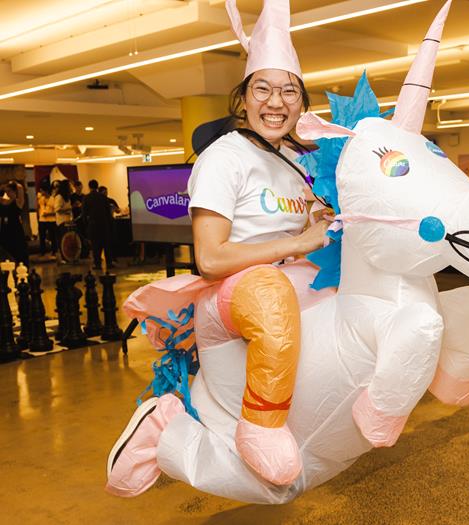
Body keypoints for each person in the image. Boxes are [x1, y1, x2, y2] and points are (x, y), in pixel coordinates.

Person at [105, 0, 332, 496]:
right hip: (231, 299)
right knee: (269, 293)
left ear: (302, 101)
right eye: (263, 89)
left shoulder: (295, 159)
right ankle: (207, 427)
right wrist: (295, 242)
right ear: (243, 99)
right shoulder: (223, 158)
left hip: (288, 294)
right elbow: (210, 259)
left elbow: (313, 224)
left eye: (288, 90)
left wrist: (323, 219)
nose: (276, 102)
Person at [82, 179, 114, 270]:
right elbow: (108, 211)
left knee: (96, 245)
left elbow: (84, 213)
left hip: (93, 224)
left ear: (89, 187)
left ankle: (98, 264)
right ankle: (109, 262)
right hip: (104, 224)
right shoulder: (103, 197)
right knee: (106, 244)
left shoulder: (87, 198)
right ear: (97, 186)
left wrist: (86, 225)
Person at [0, 181, 29, 266]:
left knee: (19, 253)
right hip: (4, 231)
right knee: (6, 254)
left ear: (15, 192)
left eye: (9, 191)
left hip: (15, 230)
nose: (7, 193)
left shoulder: (18, 202)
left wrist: (12, 182)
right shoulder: (2, 201)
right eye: (6, 191)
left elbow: (20, 188)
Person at [53, 179, 73, 263]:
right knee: (63, 240)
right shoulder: (59, 197)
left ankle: (68, 256)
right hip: (61, 222)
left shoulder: (67, 197)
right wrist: (68, 209)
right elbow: (57, 209)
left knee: (68, 240)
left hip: (68, 221)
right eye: (69, 186)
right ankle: (63, 257)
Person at [36, 178, 56, 258]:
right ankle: (42, 251)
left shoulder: (53, 199)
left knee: (52, 236)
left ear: (46, 191)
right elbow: (38, 208)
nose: (41, 192)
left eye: (42, 191)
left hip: (51, 220)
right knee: (42, 236)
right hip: (42, 220)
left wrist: (49, 214)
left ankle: (54, 250)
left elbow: (56, 211)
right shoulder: (40, 198)